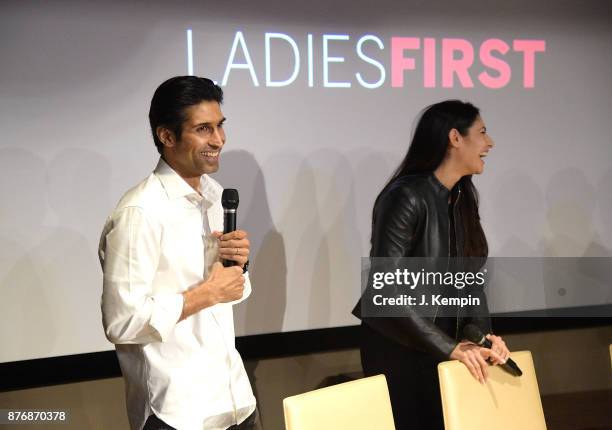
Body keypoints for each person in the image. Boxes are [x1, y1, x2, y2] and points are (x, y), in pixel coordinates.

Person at [99, 76, 258, 430]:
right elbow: (122, 321)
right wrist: (207, 293)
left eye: (219, 126)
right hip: (176, 412)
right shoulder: (139, 213)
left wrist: (238, 266)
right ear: (167, 136)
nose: (218, 140)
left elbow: (231, 293)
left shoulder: (215, 196)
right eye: (204, 129)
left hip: (233, 399)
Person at [352, 100, 511, 430]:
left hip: (443, 348)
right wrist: (450, 347)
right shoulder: (406, 196)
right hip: (399, 350)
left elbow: (470, 282)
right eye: (482, 132)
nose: (490, 142)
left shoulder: (462, 197)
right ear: (455, 137)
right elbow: (386, 289)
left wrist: (485, 338)